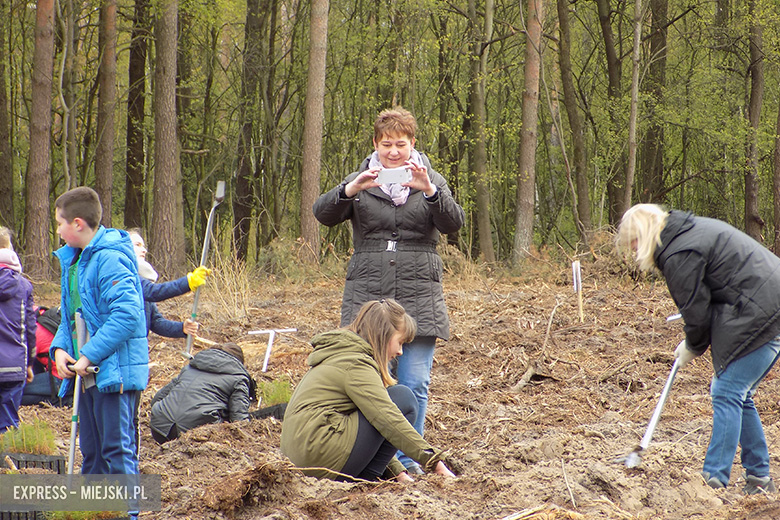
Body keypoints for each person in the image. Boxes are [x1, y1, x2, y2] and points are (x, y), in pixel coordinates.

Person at [312, 106, 465, 473]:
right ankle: (383, 462)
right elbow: (323, 214)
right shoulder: (360, 178)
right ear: (375, 144)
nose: (394, 152)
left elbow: (453, 223)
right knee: (372, 382)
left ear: (413, 144)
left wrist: (429, 192)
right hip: (368, 293)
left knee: (415, 382)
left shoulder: (432, 178)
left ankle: (411, 460)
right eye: (386, 144)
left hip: (420, 293)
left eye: (401, 144)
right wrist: (350, 190)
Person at [616, 203, 780, 495]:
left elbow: (696, 311)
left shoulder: (678, 253)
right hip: (766, 303)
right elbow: (704, 297)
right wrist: (692, 340)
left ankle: (713, 479)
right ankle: (758, 477)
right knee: (737, 394)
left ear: (643, 234)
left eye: (633, 243)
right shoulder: (687, 231)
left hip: (762, 310)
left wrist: (692, 345)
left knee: (727, 391)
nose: (634, 251)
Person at [280, 299, 456, 482]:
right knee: (403, 399)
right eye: (400, 342)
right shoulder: (356, 363)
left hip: (305, 457)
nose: (400, 351)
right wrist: (435, 463)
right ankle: (366, 478)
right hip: (319, 454)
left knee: (387, 405)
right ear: (383, 335)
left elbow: (370, 425)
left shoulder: (342, 354)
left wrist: (399, 473)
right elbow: (386, 418)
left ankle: (377, 476)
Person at [49, 187, 148, 482]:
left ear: (77, 223)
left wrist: (90, 353)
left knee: (116, 452)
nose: (57, 230)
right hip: (88, 373)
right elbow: (71, 316)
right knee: (92, 453)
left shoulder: (109, 259)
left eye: (59, 223)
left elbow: (127, 315)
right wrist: (60, 348)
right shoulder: (76, 261)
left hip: (114, 373)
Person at [149, 342, 251, 443]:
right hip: (198, 434)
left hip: (159, 428)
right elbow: (239, 422)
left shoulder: (189, 369)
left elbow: (157, 399)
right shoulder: (238, 378)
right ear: (238, 362)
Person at [127, 229, 206, 339]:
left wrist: (182, 328)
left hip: (137, 349)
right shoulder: (125, 275)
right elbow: (153, 292)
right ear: (124, 247)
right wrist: (188, 282)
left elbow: (155, 322)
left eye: (144, 246)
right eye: (137, 245)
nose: (144, 250)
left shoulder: (141, 277)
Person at [0, 226, 35, 431]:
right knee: (9, 425)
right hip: (14, 365)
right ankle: (7, 461)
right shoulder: (23, 286)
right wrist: (28, 363)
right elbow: (30, 328)